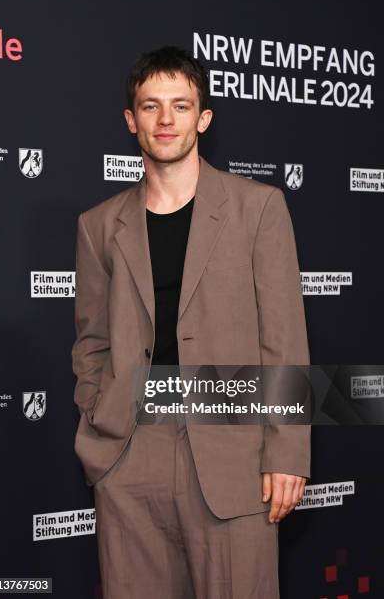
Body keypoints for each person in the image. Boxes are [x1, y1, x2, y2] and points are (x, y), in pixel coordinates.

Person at [71, 45, 311, 599]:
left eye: (180, 106)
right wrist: (98, 411)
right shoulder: (98, 226)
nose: (165, 120)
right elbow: (91, 342)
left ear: (202, 118)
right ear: (131, 121)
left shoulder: (259, 208)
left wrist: (286, 453)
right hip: (129, 455)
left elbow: (284, 343)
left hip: (232, 450)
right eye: (151, 106)